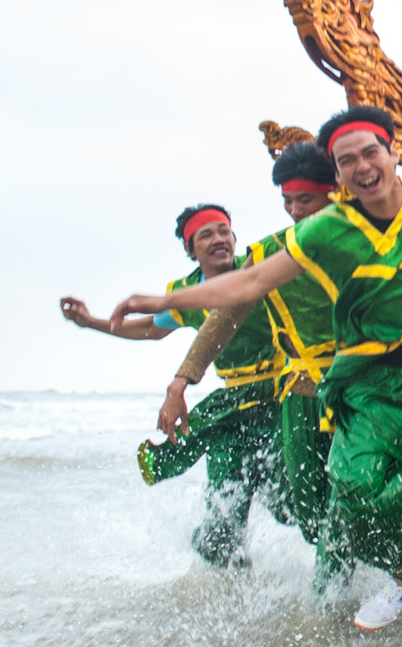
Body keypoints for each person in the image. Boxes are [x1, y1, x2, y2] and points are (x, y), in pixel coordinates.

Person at [108, 106, 402, 631]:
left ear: (392, 153)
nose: (361, 166)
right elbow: (247, 285)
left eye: (369, 152)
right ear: (338, 175)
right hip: (370, 387)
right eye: (345, 160)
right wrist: (157, 300)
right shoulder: (326, 232)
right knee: (354, 481)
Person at [61, 203, 290, 568]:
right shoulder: (187, 293)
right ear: (190, 249)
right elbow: (152, 329)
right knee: (223, 511)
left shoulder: (259, 269)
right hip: (229, 408)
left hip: (282, 395)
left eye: (223, 231)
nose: (218, 240)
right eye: (206, 235)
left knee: (290, 502)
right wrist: (91, 323)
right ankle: (232, 590)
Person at [175, 142, 346, 586]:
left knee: (358, 490)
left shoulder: (371, 233)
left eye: (302, 200)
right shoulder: (273, 252)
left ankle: (354, 589)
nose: (293, 212)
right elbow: (224, 315)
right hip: (301, 394)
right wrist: (180, 382)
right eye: (286, 202)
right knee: (308, 512)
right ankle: (233, 570)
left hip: (367, 384)